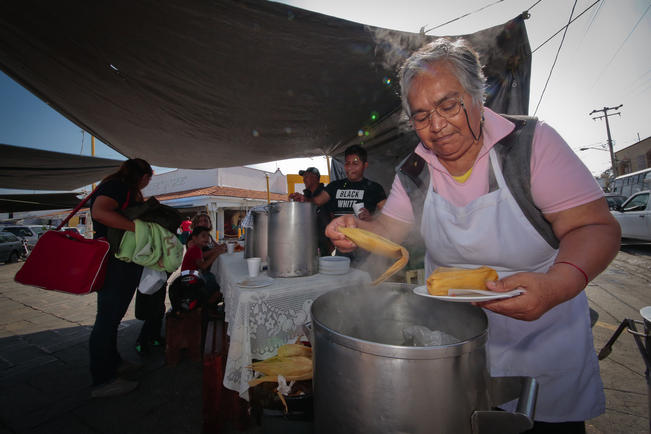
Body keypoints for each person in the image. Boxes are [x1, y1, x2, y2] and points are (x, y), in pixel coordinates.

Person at [326, 38, 621, 432]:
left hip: (545, 340)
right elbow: (388, 234)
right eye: (420, 115)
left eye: (449, 106)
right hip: (457, 348)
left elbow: (595, 227)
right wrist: (355, 231)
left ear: (479, 96)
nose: (436, 126)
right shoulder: (415, 171)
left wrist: (556, 285)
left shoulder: (530, 147)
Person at [88, 158, 153, 398]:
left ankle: (113, 363)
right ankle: (103, 380)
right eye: (148, 180)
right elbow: (100, 212)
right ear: (144, 176)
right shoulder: (118, 186)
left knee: (112, 319)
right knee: (106, 320)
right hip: (116, 262)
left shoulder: (121, 186)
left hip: (124, 262)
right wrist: (139, 229)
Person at [288, 166, 334, 256]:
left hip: (324, 244)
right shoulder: (306, 195)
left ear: (315, 177)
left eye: (306, 176)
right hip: (308, 243)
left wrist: (331, 242)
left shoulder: (325, 194)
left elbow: (333, 216)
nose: (304, 180)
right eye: (303, 177)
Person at [181, 226, 221, 295]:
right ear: (194, 238)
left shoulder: (197, 248)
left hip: (190, 277)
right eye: (203, 236)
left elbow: (203, 256)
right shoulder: (195, 249)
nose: (206, 238)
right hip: (189, 279)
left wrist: (216, 250)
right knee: (216, 285)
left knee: (211, 277)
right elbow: (203, 266)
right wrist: (217, 253)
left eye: (208, 236)